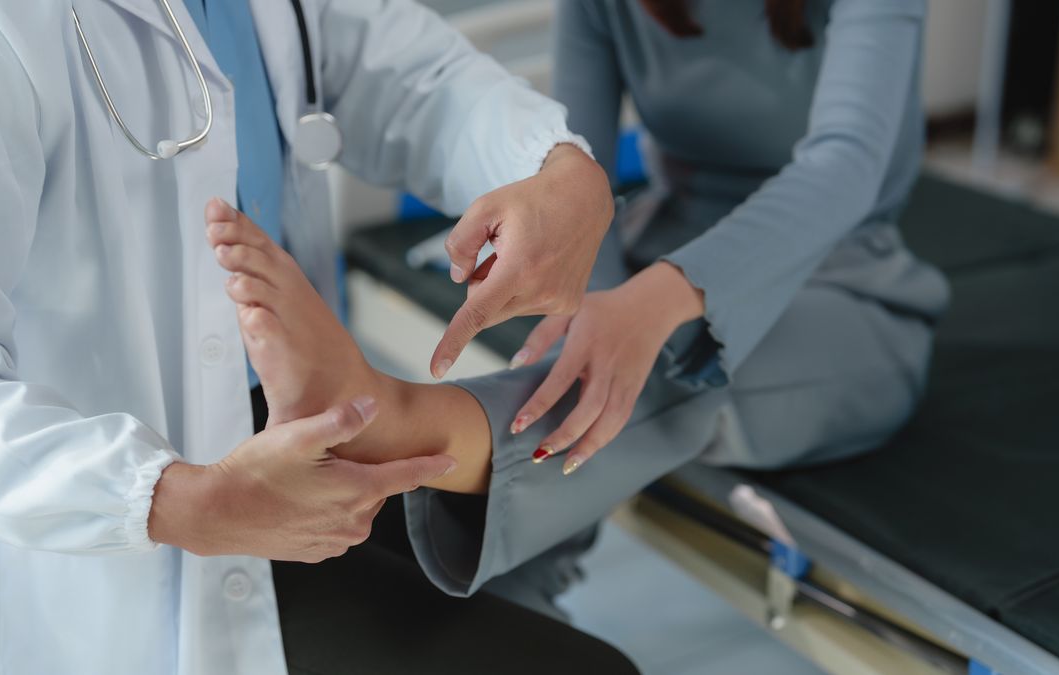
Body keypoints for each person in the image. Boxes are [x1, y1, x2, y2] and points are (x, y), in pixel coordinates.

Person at [0, 1, 628, 674]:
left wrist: (558, 166)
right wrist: (177, 500)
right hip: (112, 532)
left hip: (282, 428)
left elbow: (416, 79)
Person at [187, 0, 951, 622]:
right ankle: (500, 620)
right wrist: (595, 298)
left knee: (676, 364)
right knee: (588, 373)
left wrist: (651, 304)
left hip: (845, 283)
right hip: (655, 250)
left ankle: (403, 421)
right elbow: (574, 179)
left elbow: (846, 166)